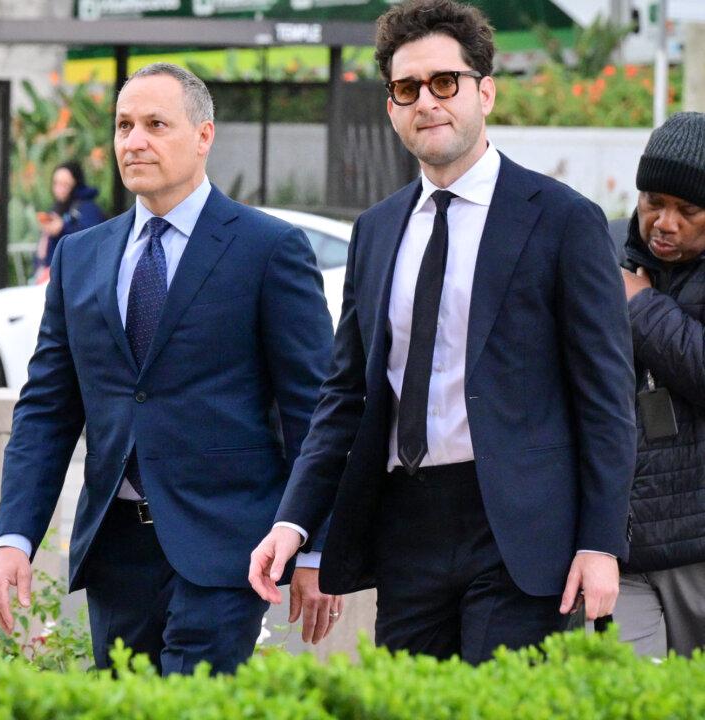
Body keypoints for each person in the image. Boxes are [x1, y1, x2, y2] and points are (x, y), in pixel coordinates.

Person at [249, 0, 636, 665]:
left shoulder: (563, 220)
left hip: (519, 528)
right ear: (392, 107)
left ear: (485, 92)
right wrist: (294, 520)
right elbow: (344, 397)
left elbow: (606, 396)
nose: (426, 101)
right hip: (407, 526)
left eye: (445, 82)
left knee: (498, 707)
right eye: (407, 88)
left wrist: (600, 543)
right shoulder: (376, 231)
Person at [0, 62, 337, 675]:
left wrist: (315, 542)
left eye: (155, 124)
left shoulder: (268, 249)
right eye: (124, 125)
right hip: (114, 550)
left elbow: (314, 410)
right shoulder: (80, 256)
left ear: (203, 136)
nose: (134, 141)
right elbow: (47, 409)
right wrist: (14, 538)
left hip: (227, 548)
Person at [612, 111, 705, 659]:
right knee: (627, 695)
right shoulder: (606, 257)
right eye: (653, 202)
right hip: (622, 552)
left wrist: (642, 306)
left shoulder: (630, 290)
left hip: (698, 551)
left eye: (687, 211)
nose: (665, 223)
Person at [32, 161, 107, 282]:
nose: (59, 189)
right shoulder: (57, 208)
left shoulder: (87, 208)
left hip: (78, 278)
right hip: (53, 277)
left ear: (75, 184)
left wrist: (63, 228)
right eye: (56, 183)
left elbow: (91, 241)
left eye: (65, 184)